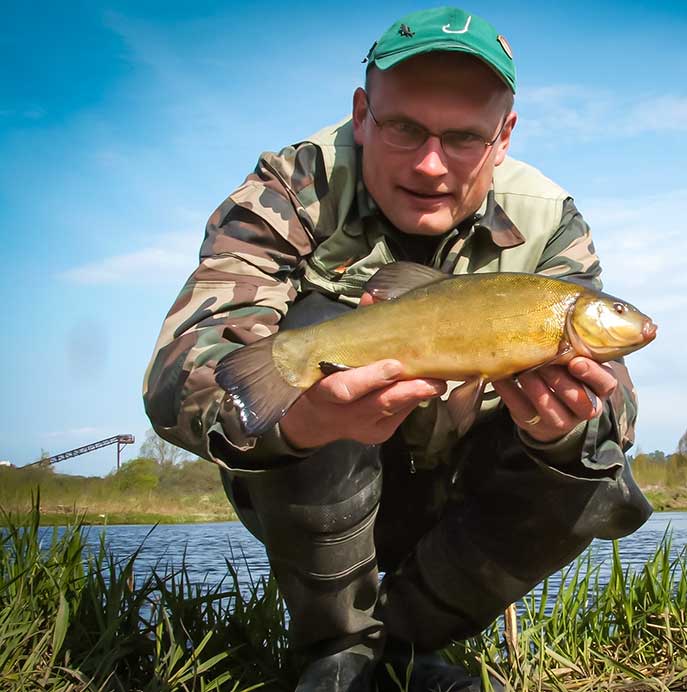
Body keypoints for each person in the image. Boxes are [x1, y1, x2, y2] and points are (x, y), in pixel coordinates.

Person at [143, 7, 652, 692]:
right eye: (404, 128)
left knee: (593, 465)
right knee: (314, 329)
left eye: (464, 137)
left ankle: (405, 648)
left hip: (461, 474)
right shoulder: (292, 188)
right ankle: (337, 648)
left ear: (503, 137)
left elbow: (613, 391)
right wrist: (303, 418)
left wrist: (569, 427)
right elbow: (183, 369)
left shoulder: (548, 218)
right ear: (362, 113)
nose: (430, 162)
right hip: (316, 477)